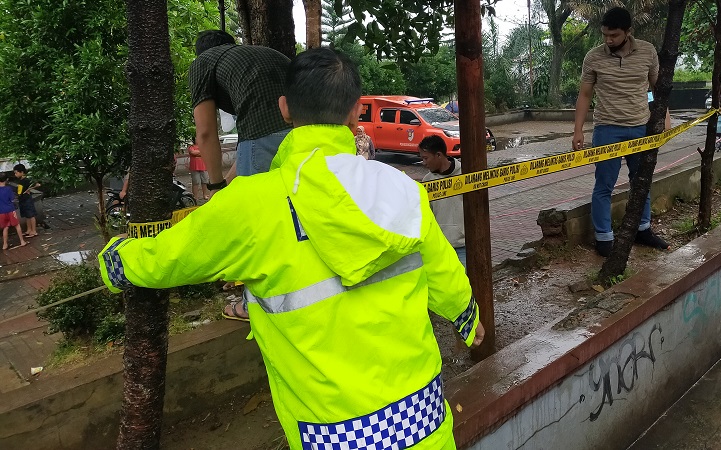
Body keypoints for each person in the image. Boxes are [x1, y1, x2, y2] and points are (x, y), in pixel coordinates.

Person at [98, 48, 483, 449]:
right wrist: (468, 318)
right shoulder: (401, 188)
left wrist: (116, 260)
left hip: (333, 436)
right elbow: (441, 267)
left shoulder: (250, 205)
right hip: (424, 421)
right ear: (356, 113)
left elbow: (168, 257)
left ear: (283, 108)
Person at [572, 7, 670, 257]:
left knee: (641, 181)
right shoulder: (593, 57)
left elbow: (658, 88)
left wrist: (665, 119)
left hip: (641, 127)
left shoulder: (647, 51)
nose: (608, 40)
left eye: (614, 35)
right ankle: (604, 238)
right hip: (607, 129)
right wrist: (578, 130)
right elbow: (585, 95)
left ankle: (642, 229)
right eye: (605, 35)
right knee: (604, 184)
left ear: (628, 32)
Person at [189, 30, 291, 189]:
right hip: (306, 132)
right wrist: (225, 187)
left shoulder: (203, 61)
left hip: (262, 133)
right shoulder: (256, 55)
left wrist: (216, 186)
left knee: (255, 199)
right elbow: (248, 150)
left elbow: (206, 132)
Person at [419, 135, 466, 267]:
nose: (424, 163)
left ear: (439, 155)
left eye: (426, 158)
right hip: (440, 248)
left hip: (463, 247)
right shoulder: (427, 181)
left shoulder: (464, 174)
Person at [0, 173, 27, 250]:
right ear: (7, 179)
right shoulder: (8, 189)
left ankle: (5, 244)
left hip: (1, 211)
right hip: (10, 210)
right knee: (17, 225)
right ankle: (22, 241)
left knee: (5, 227)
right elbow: (12, 199)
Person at [13, 164, 40, 237]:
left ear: (22, 172)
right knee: (27, 216)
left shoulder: (27, 180)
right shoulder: (21, 180)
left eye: (16, 173)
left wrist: (29, 189)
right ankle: (29, 230)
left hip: (27, 199)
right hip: (22, 199)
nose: (15, 175)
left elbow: (36, 184)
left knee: (31, 215)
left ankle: (34, 231)